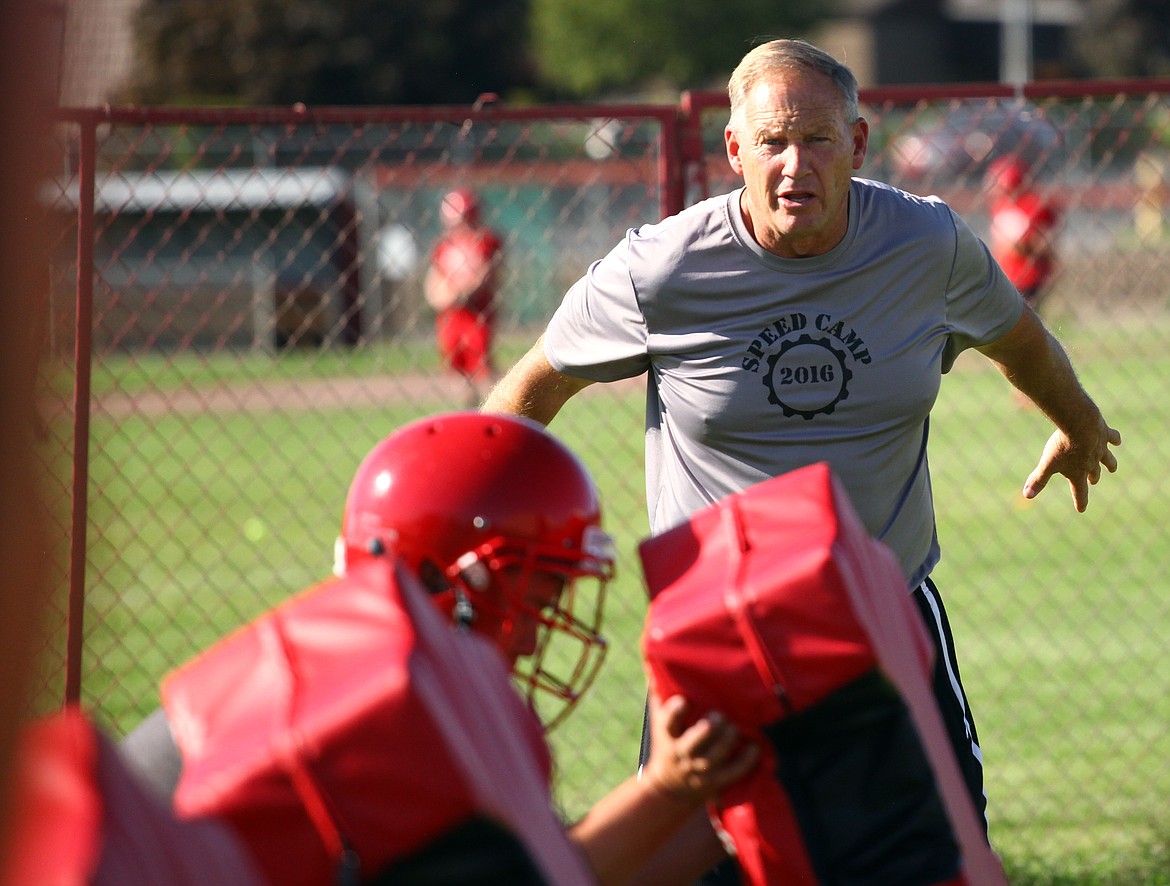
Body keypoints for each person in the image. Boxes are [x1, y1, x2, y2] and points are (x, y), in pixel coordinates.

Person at [481, 38, 1121, 882]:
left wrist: (1077, 424)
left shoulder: (926, 244)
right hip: (718, 636)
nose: (795, 163)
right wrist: (476, 528)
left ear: (856, 146)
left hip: (887, 615)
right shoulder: (661, 269)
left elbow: (1021, 342)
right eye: (773, 141)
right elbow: (524, 396)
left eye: (818, 139)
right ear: (735, 151)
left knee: (940, 865)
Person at [121, 412, 758, 886]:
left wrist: (708, 792)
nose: (536, 638)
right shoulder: (375, 725)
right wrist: (674, 790)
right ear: (449, 582)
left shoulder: (357, 671)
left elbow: (554, 865)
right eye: (534, 600)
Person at [424, 188, 505, 406]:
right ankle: (471, 411)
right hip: (451, 316)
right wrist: (443, 296)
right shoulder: (443, 246)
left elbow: (487, 274)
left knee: (483, 368)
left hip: (475, 313)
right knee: (456, 370)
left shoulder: (484, 241)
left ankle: (503, 406)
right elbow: (434, 282)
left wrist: (462, 293)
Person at [986, 155, 1060, 312]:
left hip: (1029, 276)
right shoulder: (1000, 206)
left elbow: (1045, 244)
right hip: (1005, 275)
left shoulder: (1035, 204)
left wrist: (1020, 246)